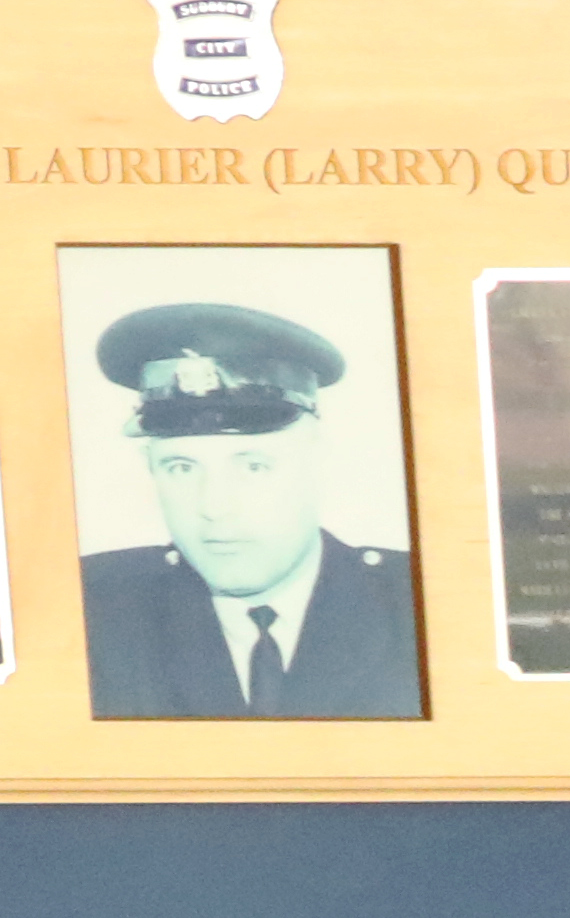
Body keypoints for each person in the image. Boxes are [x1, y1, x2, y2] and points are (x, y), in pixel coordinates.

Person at [79, 301, 420, 716]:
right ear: (150, 469)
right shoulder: (90, 610)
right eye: (182, 468)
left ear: (319, 459)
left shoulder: (418, 605)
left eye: (254, 466)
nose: (214, 507)